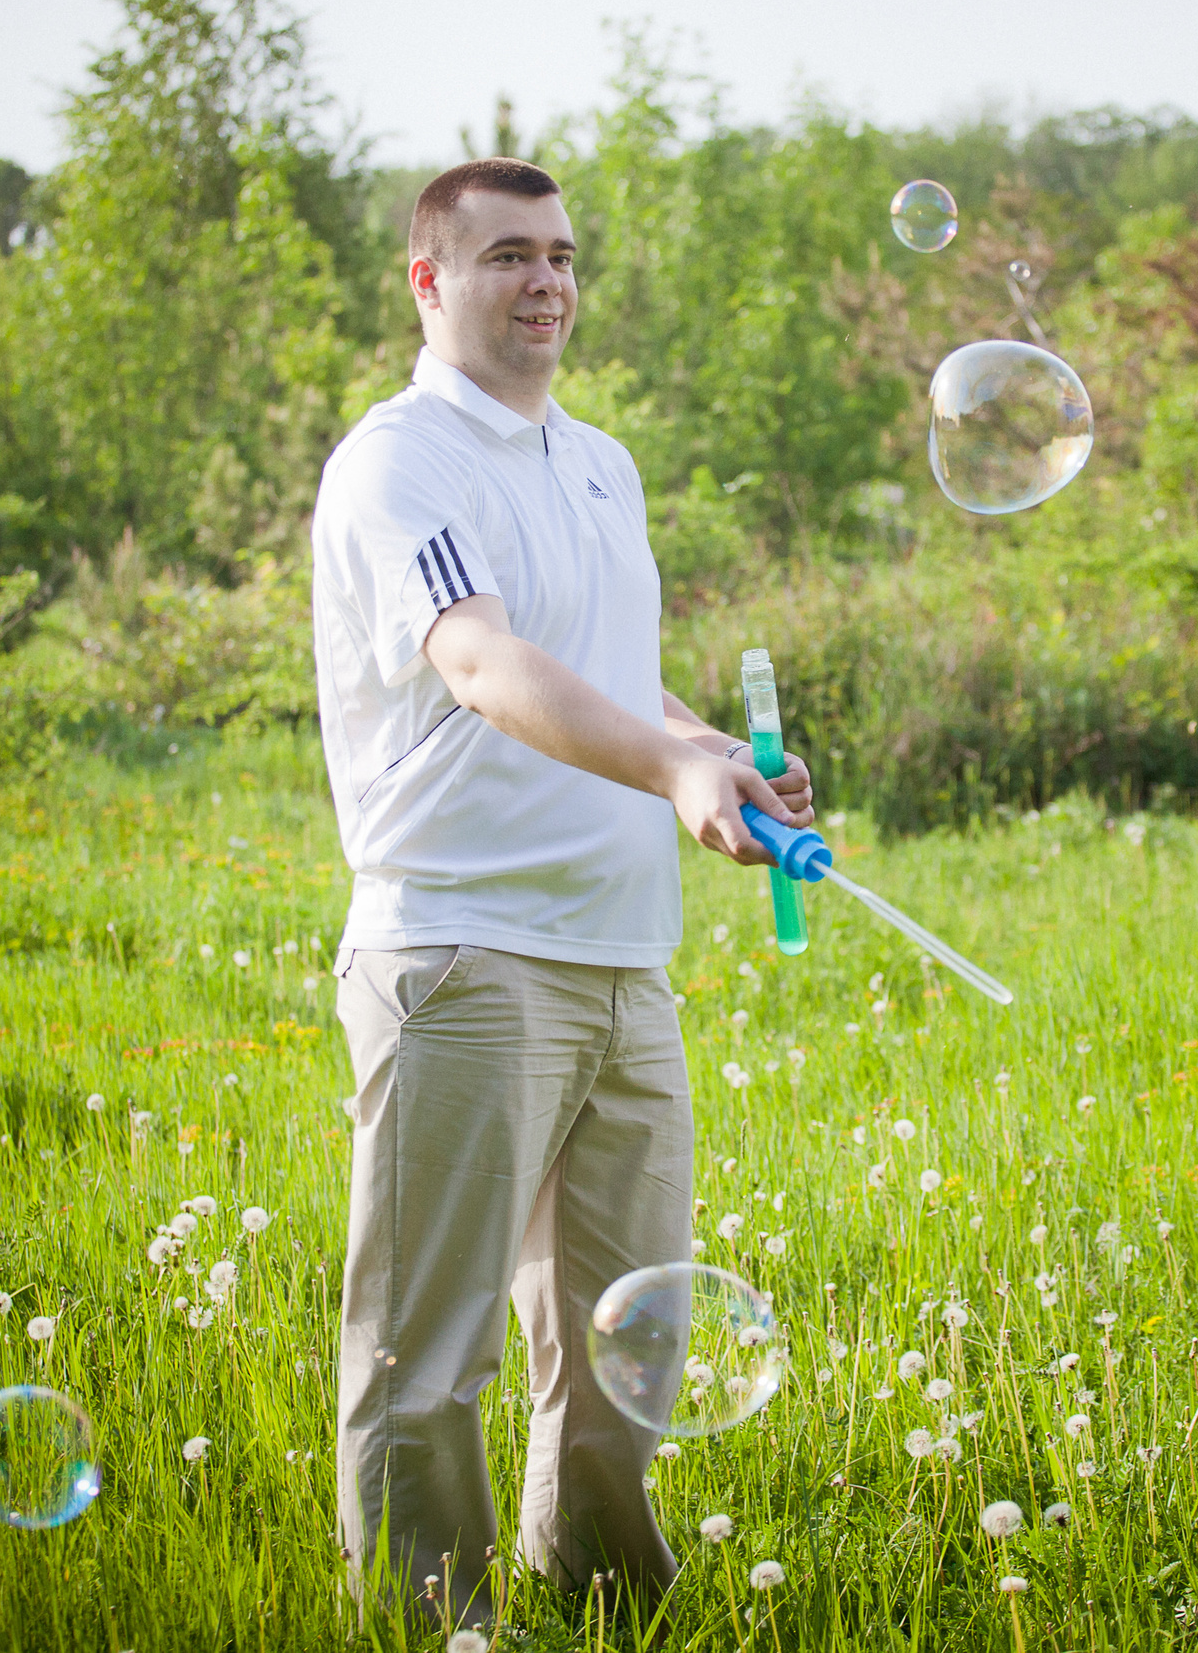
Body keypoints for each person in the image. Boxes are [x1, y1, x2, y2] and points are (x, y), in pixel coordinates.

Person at [308, 156, 813, 1630]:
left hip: (619, 954)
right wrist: (671, 767)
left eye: (564, 257)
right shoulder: (399, 461)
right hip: (463, 947)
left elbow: (595, 669)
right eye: (508, 256)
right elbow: (478, 660)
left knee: (621, 1332)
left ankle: (598, 1582)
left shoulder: (597, 458)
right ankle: (437, 1621)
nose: (546, 282)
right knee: (428, 1345)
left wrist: (716, 754)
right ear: (429, 280)